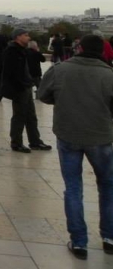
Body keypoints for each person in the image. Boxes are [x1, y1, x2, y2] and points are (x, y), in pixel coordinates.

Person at [39, 34, 113, 261]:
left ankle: (79, 242)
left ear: (79, 48)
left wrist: (64, 101)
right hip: (101, 136)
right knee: (109, 187)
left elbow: (43, 94)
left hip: (68, 134)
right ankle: (109, 238)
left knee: (73, 188)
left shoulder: (60, 70)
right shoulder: (109, 74)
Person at [2, 28, 51, 153]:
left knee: (31, 116)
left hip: (25, 86)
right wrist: (20, 86)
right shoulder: (12, 51)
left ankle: (35, 141)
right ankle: (16, 143)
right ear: (18, 37)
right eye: (25, 35)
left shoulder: (21, 51)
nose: (28, 37)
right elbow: (10, 72)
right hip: (20, 88)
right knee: (19, 116)